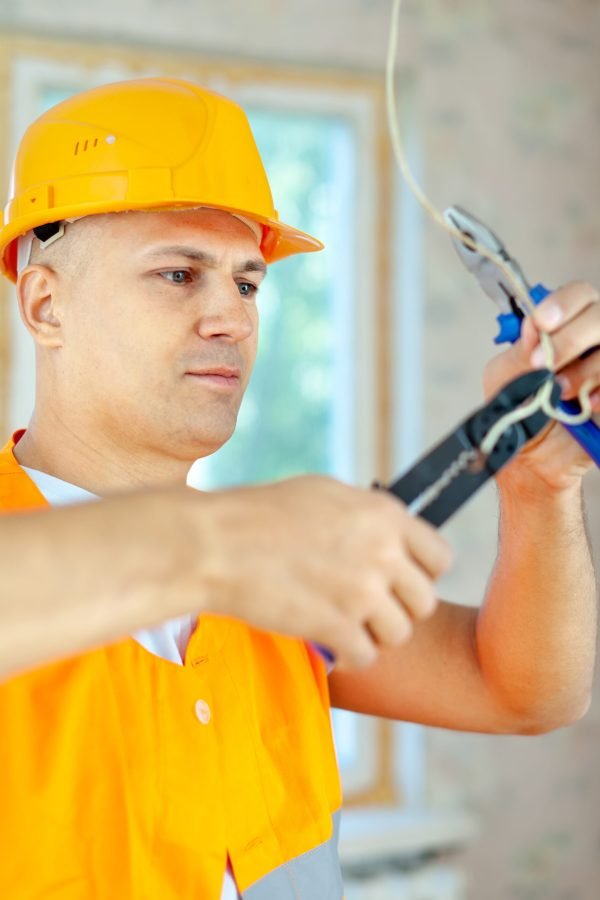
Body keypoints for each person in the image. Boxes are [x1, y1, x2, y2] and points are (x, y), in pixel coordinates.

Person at [0, 77, 597, 900]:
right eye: (179, 274)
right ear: (44, 303)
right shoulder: (239, 554)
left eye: (247, 283)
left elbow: (524, 689)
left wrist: (539, 483)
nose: (234, 320)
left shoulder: (267, 577)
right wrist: (225, 545)